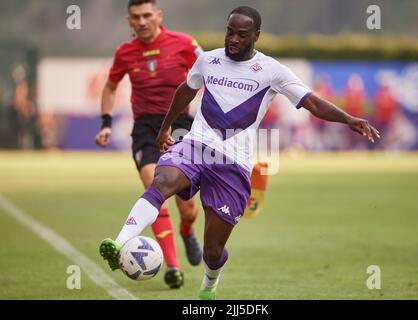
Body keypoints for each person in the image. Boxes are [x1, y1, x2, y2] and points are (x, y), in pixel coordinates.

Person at [99, 6, 381, 300]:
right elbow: (186, 89)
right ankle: (120, 242)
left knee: (213, 250)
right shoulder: (208, 60)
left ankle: (209, 285)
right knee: (162, 181)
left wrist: (349, 118)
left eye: (241, 35)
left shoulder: (272, 71)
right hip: (196, 146)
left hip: (232, 164)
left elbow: (311, 102)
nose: (232, 39)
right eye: (229, 32)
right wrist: (165, 127)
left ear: (256, 36)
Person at [95, 0, 203, 289]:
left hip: (180, 125)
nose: (142, 22)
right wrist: (106, 122)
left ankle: (187, 229)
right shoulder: (125, 52)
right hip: (145, 128)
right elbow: (110, 86)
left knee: (188, 207)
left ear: (158, 16)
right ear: (129, 21)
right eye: (135, 17)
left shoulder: (184, 44)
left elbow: (211, 75)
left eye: (146, 16)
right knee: (154, 186)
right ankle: (172, 266)